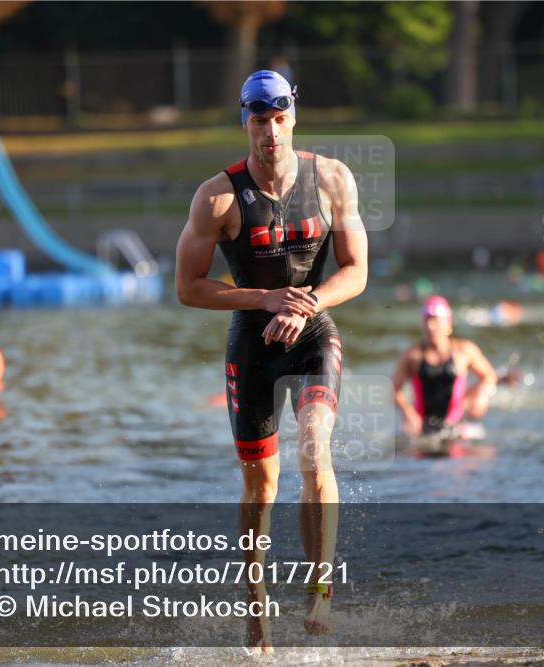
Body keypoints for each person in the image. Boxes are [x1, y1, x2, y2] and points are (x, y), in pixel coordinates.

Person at [175, 69, 368, 652]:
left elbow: (356, 271)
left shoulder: (332, 179)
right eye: (260, 122)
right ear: (246, 123)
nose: (271, 134)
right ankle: (257, 623)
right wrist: (264, 298)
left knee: (315, 448)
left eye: (280, 120)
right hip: (251, 346)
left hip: (313, 332)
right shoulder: (217, 196)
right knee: (262, 486)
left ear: (293, 118)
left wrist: (305, 302)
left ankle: (321, 592)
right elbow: (187, 286)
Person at [393, 295, 498, 454]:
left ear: (448, 323)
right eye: (427, 320)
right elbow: (394, 389)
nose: (431, 326)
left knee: (486, 455)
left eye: (435, 320)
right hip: (421, 429)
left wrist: (480, 397)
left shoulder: (464, 350)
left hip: (456, 427)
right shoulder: (412, 355)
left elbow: (489, 376)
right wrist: (409, 413)